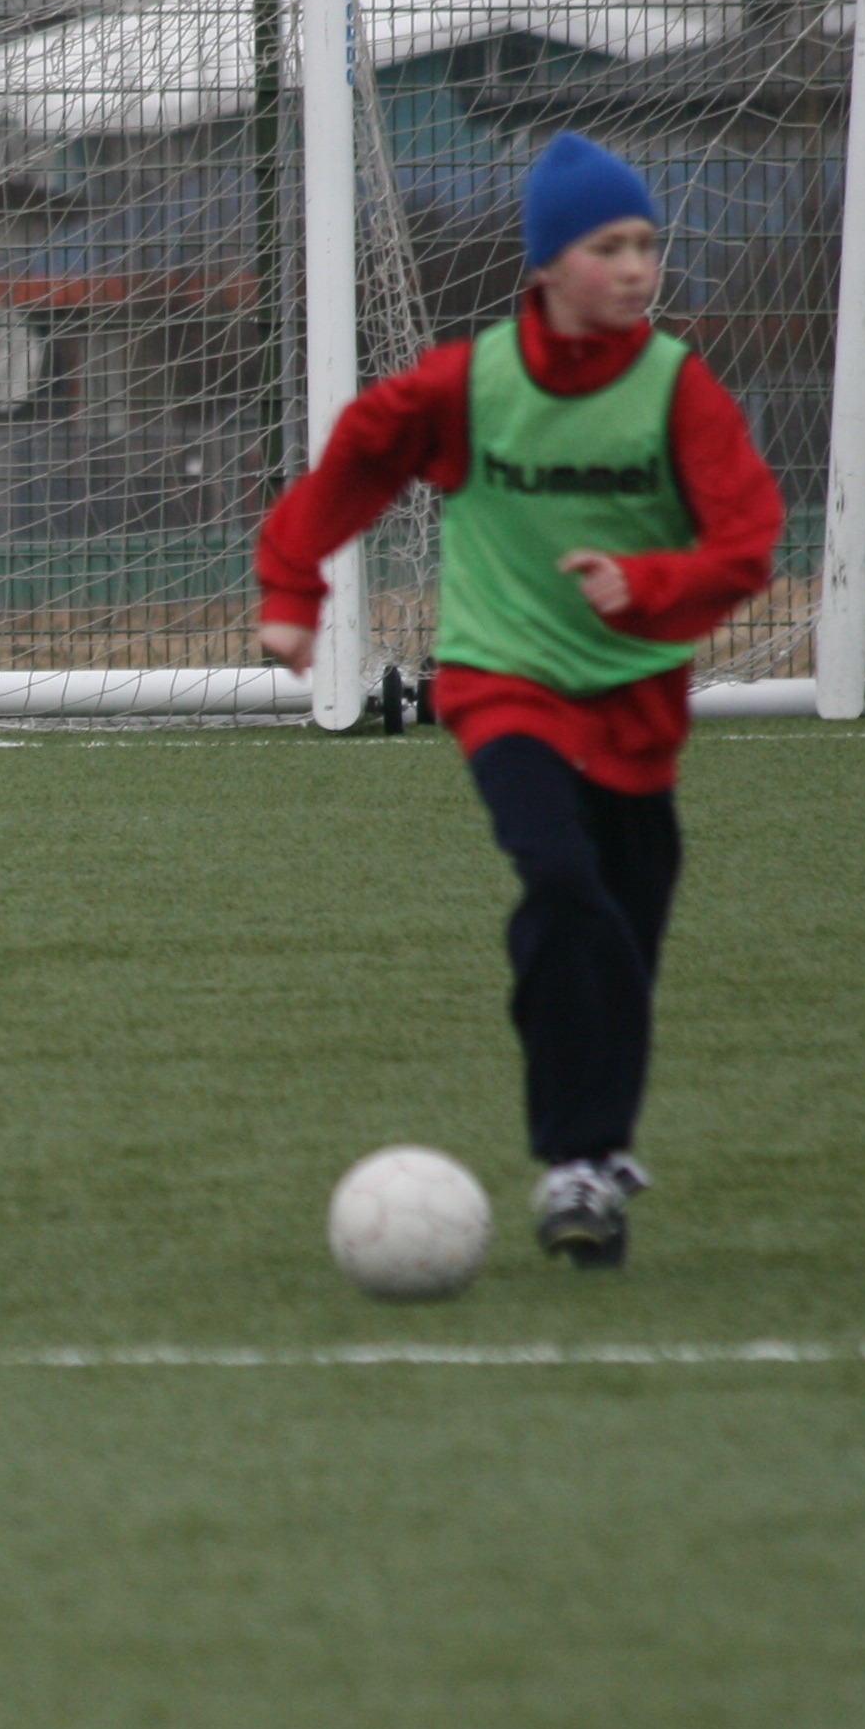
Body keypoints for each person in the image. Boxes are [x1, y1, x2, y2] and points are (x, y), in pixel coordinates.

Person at [255, 133, 784, 1267]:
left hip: (634, 708)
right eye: (609, 247)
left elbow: (748, 544)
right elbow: (359, 458)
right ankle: (577, 1161)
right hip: (503, 683)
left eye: (646, 245)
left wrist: (647, 585)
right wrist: (293, 586)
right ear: (546, 264)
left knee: (616, 926)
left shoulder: (677, 392)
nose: (636, 268)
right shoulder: (471, 384)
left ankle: (593, 1152)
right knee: (558, 876)